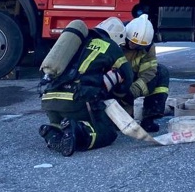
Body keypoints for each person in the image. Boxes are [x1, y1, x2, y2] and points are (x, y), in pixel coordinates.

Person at [39, 17, 133, 156]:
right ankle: (77, 130)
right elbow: (127, 76)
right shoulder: (110, 45)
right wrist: (119, 94)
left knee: (63, 122)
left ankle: (52, 130)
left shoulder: (75, 43)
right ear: (116, 37)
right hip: (76, 98)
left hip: (49, 99)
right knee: (107, 132)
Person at [114, 14, 171, 133]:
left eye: (138, 46)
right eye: (131, 42)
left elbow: (150, 71)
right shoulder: (115, 39)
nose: (133, 46)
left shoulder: (147, 46)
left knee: (161, 72)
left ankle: (149, 118)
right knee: (116, 125)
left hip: (131, 81)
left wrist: (133, 91)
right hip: (114, 80)